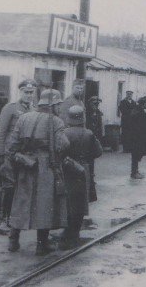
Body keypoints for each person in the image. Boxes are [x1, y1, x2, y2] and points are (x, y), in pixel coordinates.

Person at [6, 89, 70, 256]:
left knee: (21, 201)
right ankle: (41, 245)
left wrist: (21, 158)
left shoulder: (24, 117)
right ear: (52, 105)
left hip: (25, 165)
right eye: (57, 105)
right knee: (45, 204)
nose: (59, 108)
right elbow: (62, 145)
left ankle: (13, 240)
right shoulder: (56, 122)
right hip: (46, 166)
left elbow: (12, 145)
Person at [0, 79, 36, 235]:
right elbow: (0, 133)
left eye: (32, 93)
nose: (29, 95)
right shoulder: (10, 109)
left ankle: (14, 221)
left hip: (24, 156)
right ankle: (1, 222)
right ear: (21, 92)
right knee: (8, 187)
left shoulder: (34, 110)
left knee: (21, 189)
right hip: (10, 155)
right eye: (26, 92)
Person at [61, 106, 102, 249]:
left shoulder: (64, 132)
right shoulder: (89, 133)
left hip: (67, 168)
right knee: (81, 200)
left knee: (68, 200)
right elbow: (98, 152)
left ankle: (67, 231)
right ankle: (75, 232)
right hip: (84, 168)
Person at [129, 96, 146, 179]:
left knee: (138, 154)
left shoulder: (140, 110)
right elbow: (137, 125)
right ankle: (134, 173)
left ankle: (136, 171)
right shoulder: (137, 112)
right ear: (143, 103)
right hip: (136, 137)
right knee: (135, 155)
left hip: (139, 136)